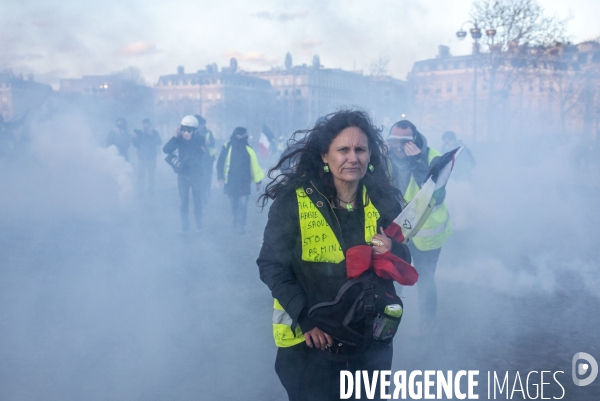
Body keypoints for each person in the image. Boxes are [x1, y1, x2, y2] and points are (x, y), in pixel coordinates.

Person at [257, 110, 415, 401]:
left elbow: (405, 259)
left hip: (370, 345)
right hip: (312, 345)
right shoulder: (293, 202)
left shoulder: (383, 201)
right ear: (324, 157)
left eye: (360, 150)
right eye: (343, 149)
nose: (352, 158)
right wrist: (305, 318)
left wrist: (394, 249)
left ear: (370, 156)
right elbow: (271, 266)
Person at [387, 120, 452, 334]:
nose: (398, 146)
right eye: (393, 140)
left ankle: (427, 323)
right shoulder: (386, 156)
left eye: (403, 141)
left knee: (425, 278)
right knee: (391, 277)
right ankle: (388, 321)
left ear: (414, 139)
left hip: (427, 235)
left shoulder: (433, 157)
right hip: (397, 232)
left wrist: (417, 164)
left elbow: (438, 196)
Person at [163, 115, 205, 233]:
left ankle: (199, 225)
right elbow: (166, 150)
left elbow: (197, 154)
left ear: (194, 130)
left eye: (189, 130)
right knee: (183, 202)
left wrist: (189, 139)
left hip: (196, 174)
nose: (186, 132)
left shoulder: (199, 139)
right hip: (183, 175)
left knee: (197, 200)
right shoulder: (179, 139)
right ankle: (185, 227)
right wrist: (175, 137)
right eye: (184, 129)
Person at [216, 127, 263, 233]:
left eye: (241, 134)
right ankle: (236, 219)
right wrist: (220, 177)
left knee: (243, 205)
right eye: (238, 134)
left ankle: (241, 226)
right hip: (230, 182)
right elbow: (220, 163)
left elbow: (255, 167)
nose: (239, 136)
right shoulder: (227, 146)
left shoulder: (249, 149)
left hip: (244, 182)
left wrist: (258, 182)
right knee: (234, 205)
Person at [132, 118, 162, 197]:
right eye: (144, 123)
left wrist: (151, 135)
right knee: (141, 176)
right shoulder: (140, 133)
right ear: (142, 124)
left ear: (149, 124)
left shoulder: (154, 132)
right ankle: (140, 193)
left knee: (151, 176)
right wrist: (135, 139)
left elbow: (159, 142)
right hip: (141, 158)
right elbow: (136, 145)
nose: (145, 125)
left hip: (152, 158)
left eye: (147, 123)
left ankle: (151, 192)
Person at [195, 115, 216, 204]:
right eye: (200, 124)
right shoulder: (193, 133)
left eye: (202, 124)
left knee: (207, 177)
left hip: (207, 158)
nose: (202, 126)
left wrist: (209, 143)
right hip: (197, 159)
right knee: (198, 177)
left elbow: (213, 143)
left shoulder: (208, 132)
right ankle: (200, 193)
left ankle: (206, 192)